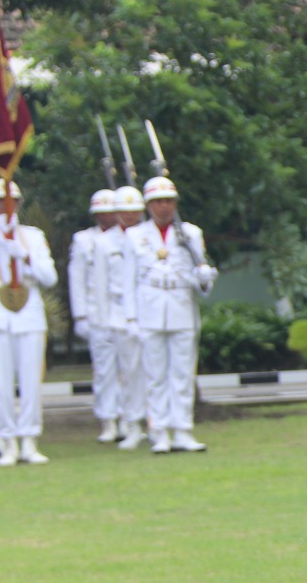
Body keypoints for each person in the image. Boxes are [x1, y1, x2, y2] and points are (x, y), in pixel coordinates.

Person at [128, 176, 216, 453]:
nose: (163, 207)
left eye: (168, 201)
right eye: (157, 202)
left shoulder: (190, 233)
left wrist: (204, 276)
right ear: (148, 205)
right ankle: (159, 431)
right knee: (155, 374)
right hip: (150, 307)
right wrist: (131, 318)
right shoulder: (135, 235)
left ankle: (182, 430)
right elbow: (128, 280)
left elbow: (201, 282)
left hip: (180, 306)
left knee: (182, 372)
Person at [0, 178, 58, 465]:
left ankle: (29, 439)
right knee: (1, 383)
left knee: (30, 382)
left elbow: (49, 278)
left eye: (10, 201)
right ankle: (7, 442)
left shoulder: (33, 236)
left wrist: (24, 256)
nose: (5, 207)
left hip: (28, 313)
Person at [69, 188, 139, 442]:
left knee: (130, 369)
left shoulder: (134, 237)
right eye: (101, 214)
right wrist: (81, 316)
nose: (106, 218)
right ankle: (108, 420)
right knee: (104, 370)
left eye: (110, 213)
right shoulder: (85, 240)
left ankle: (127, 418)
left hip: (128, 312)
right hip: (98, 312)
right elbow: (78, 279)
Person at [111, 186, 151, 450]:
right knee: (130, 373)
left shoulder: (148, 237)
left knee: (156, 372)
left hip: (151, 309)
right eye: (125, 211)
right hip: (120, 313)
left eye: (135, 210)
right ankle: (133, 424)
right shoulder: (105, 241)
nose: (130, 215)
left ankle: (157, 423)